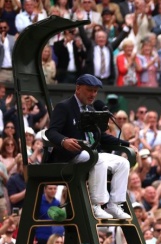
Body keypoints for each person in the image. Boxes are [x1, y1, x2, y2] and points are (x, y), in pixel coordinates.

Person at [45, 74, 133, 220]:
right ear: (78, 88)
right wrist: (64, 141)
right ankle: (96, 205)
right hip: (70, 155)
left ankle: (114, 205)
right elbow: (51, 131)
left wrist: (127, 144)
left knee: (122, 163)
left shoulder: (91, 109)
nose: (93, 94)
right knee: (97, 159)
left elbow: (101, 136)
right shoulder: (64, 107)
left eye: (95, 91)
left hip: (90, 153)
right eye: (89, 90)